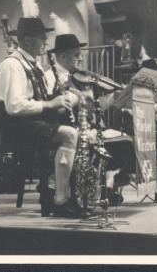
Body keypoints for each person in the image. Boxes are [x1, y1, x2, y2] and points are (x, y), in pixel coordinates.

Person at [0, 0, 81, 217]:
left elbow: (41, 98)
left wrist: (62, 99)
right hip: (18, 127)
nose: (45, 43)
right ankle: (60, 201)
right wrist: (50, 105)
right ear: (28, 40)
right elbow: (14, 106)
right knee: (68, 134)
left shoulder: (34, 64)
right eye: (42, 39)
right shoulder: (12, 65)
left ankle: (58, 191)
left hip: (33, 122)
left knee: (75, 130)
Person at [44, 33, 124, 205]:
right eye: (76, 55)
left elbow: (93, 107)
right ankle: (90, 190)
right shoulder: (50, 77)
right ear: (62, 56)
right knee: (96, 139)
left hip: (83, 124)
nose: (80, 59)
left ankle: (105, 186)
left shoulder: (79, 78)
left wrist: (113, 97)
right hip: (62, 126)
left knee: (120, 139)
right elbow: (53, 109)